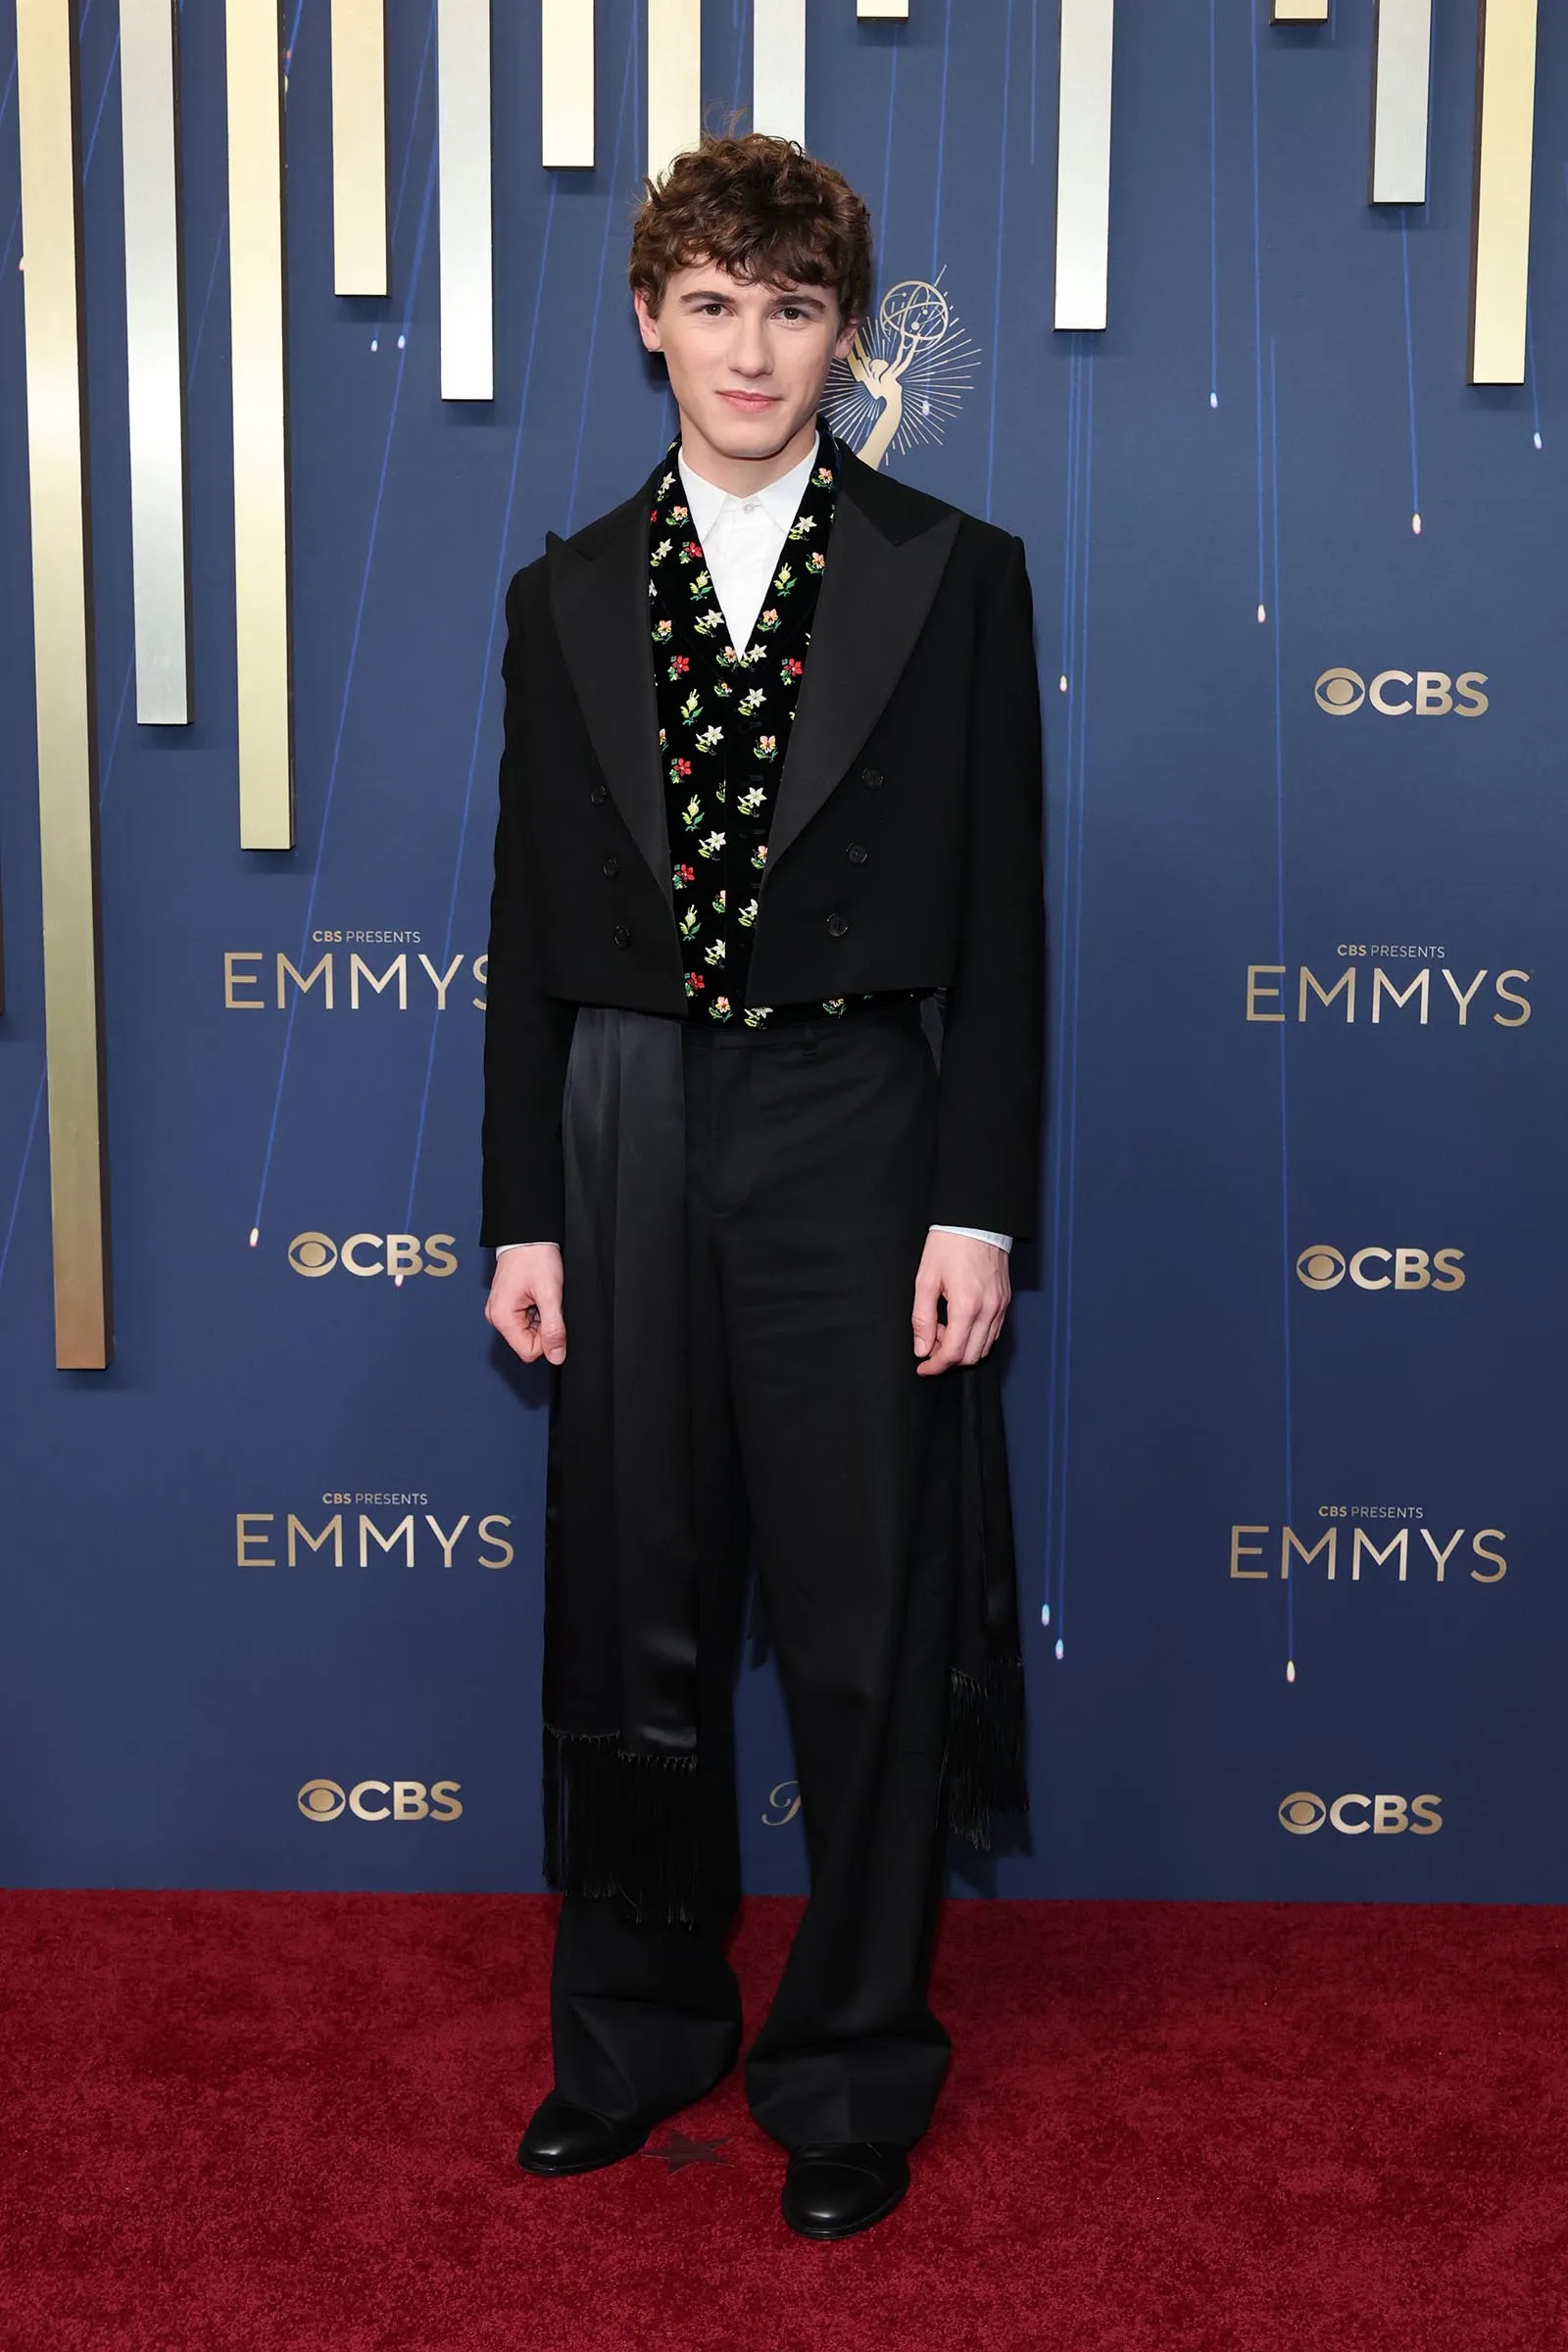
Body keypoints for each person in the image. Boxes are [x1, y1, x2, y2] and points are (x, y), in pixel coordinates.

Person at [480, 132, 1044, 2241]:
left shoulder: (953, 572)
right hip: (622, 1115)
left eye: (791, 309)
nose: (748, 347)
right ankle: (633, 2036)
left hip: (854, 1124)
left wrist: (975, 1205)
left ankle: (849, 2067)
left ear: (845, 336)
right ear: (649, 319)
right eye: (710, 303)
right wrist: (522, 1208)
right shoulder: (558, 593)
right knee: (633, 1610)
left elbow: (1002, 922)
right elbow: (528, 931)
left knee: (863, 1623)